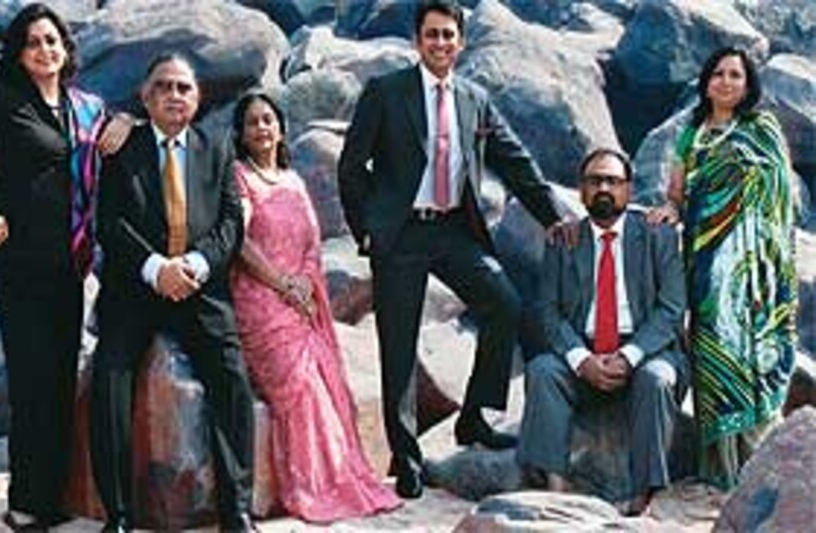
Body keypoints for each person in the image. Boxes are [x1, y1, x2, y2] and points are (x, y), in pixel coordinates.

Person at [337, 0, 566, 499]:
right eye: (432, 35)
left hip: (453, 230)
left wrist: (554, 217)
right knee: (398, 344)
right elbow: (352, 167)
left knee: (503, 304)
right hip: (400, 235)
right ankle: (406, 458)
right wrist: (366, 229)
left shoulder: (473, 99)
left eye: (449, 36)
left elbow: (514, 159)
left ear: (461, 43)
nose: (441, 43)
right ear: (417, 41)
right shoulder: (386, 92)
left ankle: (475, 418)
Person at [0, 4, 131, 530]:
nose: (45, 49)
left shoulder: (80, 107)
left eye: (52, 40)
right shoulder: (3, 100)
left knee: (58, 382)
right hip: (20, 267)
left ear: (65, 48)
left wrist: (124, 120)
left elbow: (116, 135)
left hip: (71, 264)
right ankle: (23, 504)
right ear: (17, 51)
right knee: (32, 383)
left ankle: (48, 497)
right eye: (33, 42)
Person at [90, 53, 256, 533]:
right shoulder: (124, 148)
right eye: (164, 86)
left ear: (198, 98)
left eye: (184, 87)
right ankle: (119, 514)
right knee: (110, 380)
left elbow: (231, 223)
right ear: (145, 97)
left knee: (231, 378)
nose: (175, 94)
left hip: (200, 287)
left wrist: (197, 264)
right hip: (137, 288)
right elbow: (111, 222)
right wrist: (155, 267)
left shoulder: (217, 147)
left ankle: (236, 509)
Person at [227, 92, 402, 522]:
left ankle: (344, 476)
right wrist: (284, 284)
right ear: (241, 134)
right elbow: (241, 243)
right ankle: (313, 487)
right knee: (302, 384)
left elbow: (311, 243)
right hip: (259, 296)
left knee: (326, 377)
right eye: (253, 122)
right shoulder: (239, 177)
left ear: (281, 128)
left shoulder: (293, 180)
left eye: (268, 120)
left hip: (300, 295)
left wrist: (305, 282)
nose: (262, 128)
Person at [648, 47, 798, 490]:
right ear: (706, 81)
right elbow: (677, 193)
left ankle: (764, 467)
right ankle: (721, 471)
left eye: (736, 75)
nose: (727, 81)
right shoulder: (691, 133)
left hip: (759, 274)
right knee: (715, 360)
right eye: (719, 73)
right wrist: (670, 210)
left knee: (758, 360)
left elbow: (780, 192)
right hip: (709, 268)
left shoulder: (762, 129)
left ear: (748, 84)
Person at [518, 148, 688, 517]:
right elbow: (548, 312)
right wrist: (581, 360)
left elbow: (672, 309)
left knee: (658, 379)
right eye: (595, 181)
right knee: (543, 371)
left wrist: (629, 357)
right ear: (582, 191)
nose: (604, 188)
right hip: (584, 351)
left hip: (645, 351)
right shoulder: (563, 240)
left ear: (628, 189)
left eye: (613, 181)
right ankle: (556, 489)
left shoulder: (657, 235)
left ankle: (643, 494)